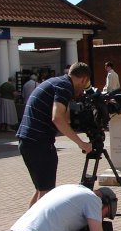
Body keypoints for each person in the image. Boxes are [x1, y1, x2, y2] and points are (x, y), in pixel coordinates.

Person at [16, 62, 93, 207]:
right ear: (83, 79)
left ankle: (27, 224)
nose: (84, 89)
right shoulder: (64, 87)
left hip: (29, 140)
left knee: (42, 189)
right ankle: (38, 229)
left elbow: (65, 119)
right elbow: (57, 118)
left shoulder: (58, 83)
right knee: (47, 193)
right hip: (38, 142)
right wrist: (81, 143)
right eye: (85, 84)